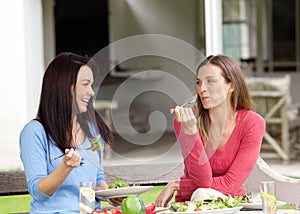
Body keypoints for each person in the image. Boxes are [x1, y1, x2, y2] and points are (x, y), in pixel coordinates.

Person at [155, 54, 266, 207]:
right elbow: (202, 181)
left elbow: (231, 183)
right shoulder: (184, 122)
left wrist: (177, 185)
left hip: (233, 204)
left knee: (203, 192)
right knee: (201, 193)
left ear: (231, 86)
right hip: (192, 205)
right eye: (199, 82)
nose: (202, 89)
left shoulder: (253, 123)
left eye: (210, 81)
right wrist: (191, 132)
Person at [20, 52, 119, 213]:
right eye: (86, 84)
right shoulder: (35, 132)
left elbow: (98, 179)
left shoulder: (92, 130)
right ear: (66, 87)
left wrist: (111, 195)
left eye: (91, 85)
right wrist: (65, 167)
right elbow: (39, 193)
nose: (92, 92)